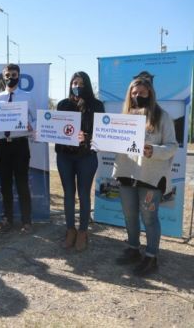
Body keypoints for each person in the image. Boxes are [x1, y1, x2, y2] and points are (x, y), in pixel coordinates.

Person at [113, 76, 177, 277]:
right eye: (133, 93)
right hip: (126, 174)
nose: (137, 96)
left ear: (150, 93)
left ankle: (151, 256)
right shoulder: (123, 117)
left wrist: (153, 150)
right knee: (130, 215)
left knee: (149, 217)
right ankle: (133, 248)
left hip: (150, 177)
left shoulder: (162, 116)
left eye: (141, 92)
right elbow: (112, 140)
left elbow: (172, 146)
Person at [56, 72, 104, 250]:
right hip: (64, 156)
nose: (77, 86)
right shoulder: (63, 104)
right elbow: (55, 128)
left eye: (81, 83)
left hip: (86, 157)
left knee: (83, 194)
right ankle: (70, 230)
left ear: (87, 85)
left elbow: (102, 132)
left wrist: (87, 136)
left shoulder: (97, 105)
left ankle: (83, 231)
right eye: (74, 83)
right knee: (68, 194)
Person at [0, 64, 36, 233]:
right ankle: (7, 219)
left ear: (19, 76)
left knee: (22, 183)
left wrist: (31, 126)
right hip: (2, 145)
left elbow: (36, 119)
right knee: (5, 184)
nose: (10, 77)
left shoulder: (27, 97)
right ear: (3, 77)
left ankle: (27, 221)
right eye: (7, 75)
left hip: (20, 145)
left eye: (13, 74)